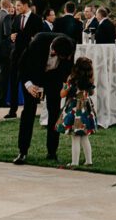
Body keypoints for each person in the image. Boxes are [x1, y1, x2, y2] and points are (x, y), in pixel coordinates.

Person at [13, 33, 75, 165]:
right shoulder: (37, 43)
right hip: (34, 77)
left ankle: (52, 152)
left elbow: (67, 69)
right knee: (28, 112)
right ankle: (22, 151)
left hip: (53, 79)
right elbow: (22, 65)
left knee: (54, 112)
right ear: (53, 50)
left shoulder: (69, 45)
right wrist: (29, 85)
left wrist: (66, 86)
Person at [6, 0, 44, 119]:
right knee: (13, 82)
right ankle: (12, 110)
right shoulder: (16, 19)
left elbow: (38, 37)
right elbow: (12, 33)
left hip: (30, 56)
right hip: (16, 55)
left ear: (26, 5)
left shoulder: (37, 19)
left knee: (27, 82)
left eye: (18, 5)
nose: (16, 8)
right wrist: (11, 36)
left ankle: (29, 108)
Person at [60, 56, 98, 167]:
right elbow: (92, 93)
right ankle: (88, 160)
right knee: (84, 136)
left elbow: (62, 94)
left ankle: (74, 162)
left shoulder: (71, 80)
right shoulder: (89, 81)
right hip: (85, 109)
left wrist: (66, 85)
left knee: (75, 137)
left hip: (74, 110)